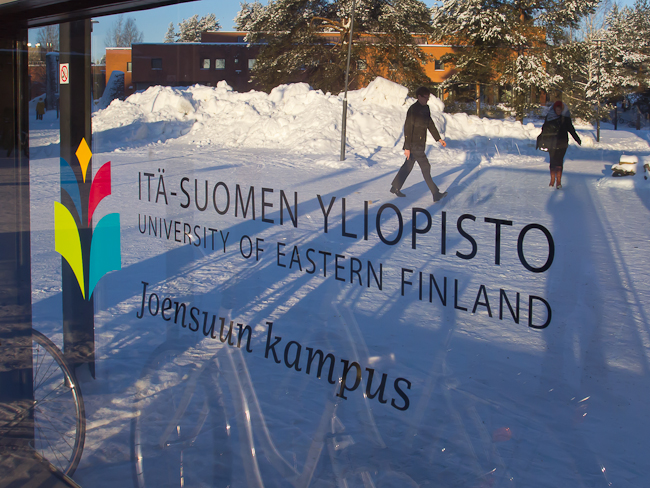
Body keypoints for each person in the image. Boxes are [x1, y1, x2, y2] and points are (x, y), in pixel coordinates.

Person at [390, 86, 447, 202]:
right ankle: (435, 193)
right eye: (425, 97)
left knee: (408, 166)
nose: (427, 99)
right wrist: (407, 148)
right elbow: (408, 128)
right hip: (414, 145)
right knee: (426, 167)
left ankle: (395, 187)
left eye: (428, 97)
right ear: (419, 97)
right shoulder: (413, 110)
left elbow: (430, 124)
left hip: (420, 143)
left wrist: (438, 139)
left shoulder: (426, 108)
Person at [542, 100, 581, 189]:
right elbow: (544, 129)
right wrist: (543, 140)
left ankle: (558, 181)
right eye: (557, 110)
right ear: (554, 109)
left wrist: (577, 139)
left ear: (562, 110)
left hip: (562, 143)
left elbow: (571, 129)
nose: (558, 112)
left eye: (560, 110)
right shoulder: (549, 117)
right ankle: (552, 180)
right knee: (552, 161)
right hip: (551, 142)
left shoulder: (565, 118)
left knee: (559, 161)